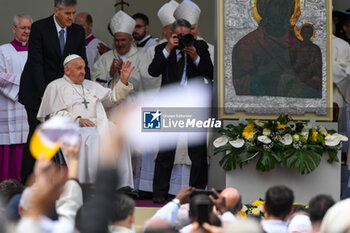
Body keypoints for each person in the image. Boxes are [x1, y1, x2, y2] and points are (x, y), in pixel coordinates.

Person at [19, 0, 90, 184]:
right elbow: (36, 63)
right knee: (38, 133)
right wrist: (45, 95)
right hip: (36, 91)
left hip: (63, 92)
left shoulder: (77, 31)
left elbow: (82, 62)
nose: (71, 17)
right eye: (67, 13)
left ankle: (53, 180)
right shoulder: (39, 27)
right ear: (56, 11)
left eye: (73, 13)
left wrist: (86, 91)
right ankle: (27, 178)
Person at [37, 54, 134, 184]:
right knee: (94, 136)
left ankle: (122, 183)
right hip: (73, 128)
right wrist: (77, 120)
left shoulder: (90, 85)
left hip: (97, 123)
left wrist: (123, 81)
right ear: (67, 70)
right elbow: (55, 115)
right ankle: (93, 182)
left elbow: (112, 99)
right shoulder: (55, 86)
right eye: (79, 68)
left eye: (84, 68)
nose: (83, 72)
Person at [148, 18, 213, 204]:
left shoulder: (200, 46)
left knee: (198, 153)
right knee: (165, 152)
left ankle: (197, 192)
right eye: (180, 35)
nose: (185, 38)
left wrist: (194, 56)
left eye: (188, 34)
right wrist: (169, 48)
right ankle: (159, 193)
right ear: (171, 34)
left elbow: (209, 71)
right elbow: (153, 71)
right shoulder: (162, 49)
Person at [231, 0, 321, 98]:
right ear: (264, 8)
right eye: (276, 4)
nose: (281, 10)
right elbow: (237, 84)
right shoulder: (247, 44)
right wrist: (261, 75)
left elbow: (315, 77)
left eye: (285, 5)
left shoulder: (299, 44)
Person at [0, 14, 32, 182]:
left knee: (27, 144)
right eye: (23, 28)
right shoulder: (3, 51)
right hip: (10, 106)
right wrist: (27, 86)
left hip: (29, 108)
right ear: (14, 29)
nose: (26, 31)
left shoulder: (36, 51)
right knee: (9, 149)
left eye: (29, 28)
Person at [92, 10, 142, 94]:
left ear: (131, 40)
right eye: (116, 40)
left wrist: (122, 72)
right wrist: (109, 74)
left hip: (132, 104)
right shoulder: (105, 58)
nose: (119, 44)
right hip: (110, 106)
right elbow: (95, 82)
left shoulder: (141, 57)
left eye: (123, 40)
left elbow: (145, 85)